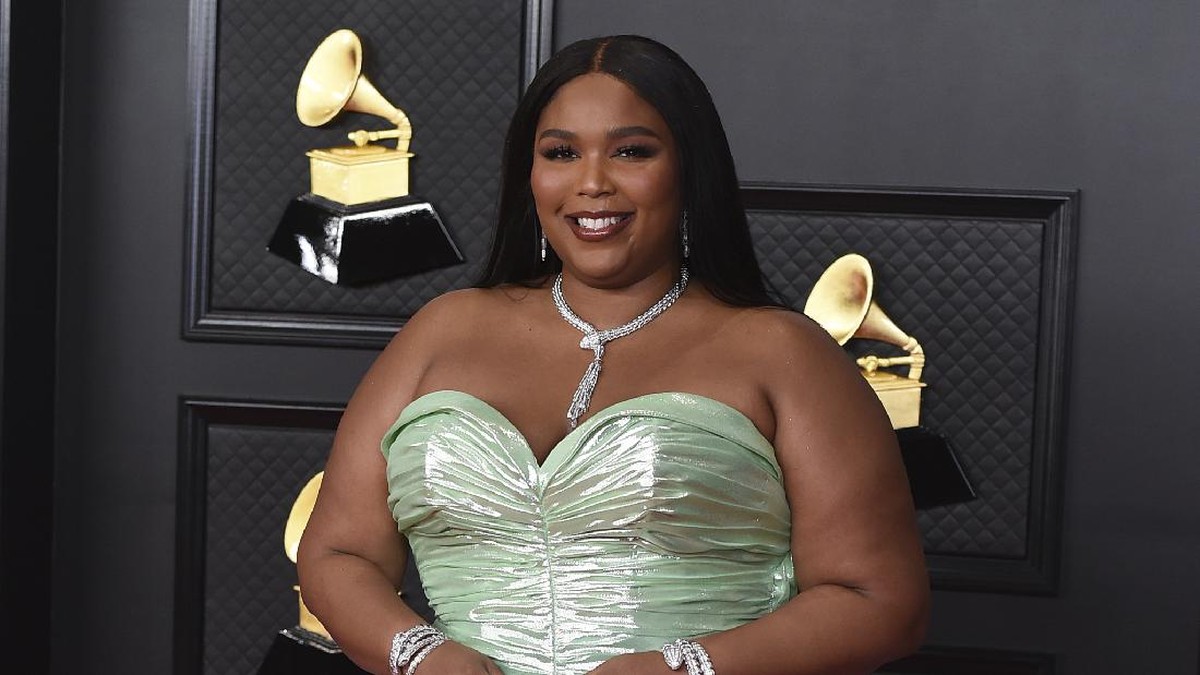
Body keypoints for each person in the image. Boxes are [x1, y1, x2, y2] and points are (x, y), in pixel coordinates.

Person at [297, 34, 929, 675]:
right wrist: (421, 655)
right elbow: (339, 553)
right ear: (530, 174)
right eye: (561, 152)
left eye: (631, 151)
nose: (592, 182)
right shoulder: (440, 331)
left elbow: (879, 601)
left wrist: (683, 669)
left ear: (688, 169)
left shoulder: (785, 353)